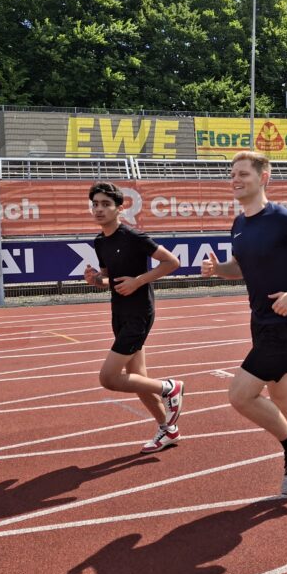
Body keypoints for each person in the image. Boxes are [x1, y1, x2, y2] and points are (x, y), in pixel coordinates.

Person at [201, 150, 287, 495]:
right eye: (232, 174)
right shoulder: (239, 224)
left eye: (243, 174)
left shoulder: (284, 219)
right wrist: (219, 269)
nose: (235, 180)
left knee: (240, 395)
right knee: (283, 397)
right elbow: (239, 268)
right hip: (261, 322)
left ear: (263, 178)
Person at [83, 181, 185, 454]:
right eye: (95, 204)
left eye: (106, 204)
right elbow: (109, 277)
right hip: (118, 312)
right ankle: (168, 429)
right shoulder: (100, 241)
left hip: (139, 313)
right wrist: (97, 280)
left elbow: (172, 262)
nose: (99, 209)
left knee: (109, 377)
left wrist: (138, 281)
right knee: (137, 378)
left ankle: (170, 388)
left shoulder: (134, 236)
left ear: (119, 208)